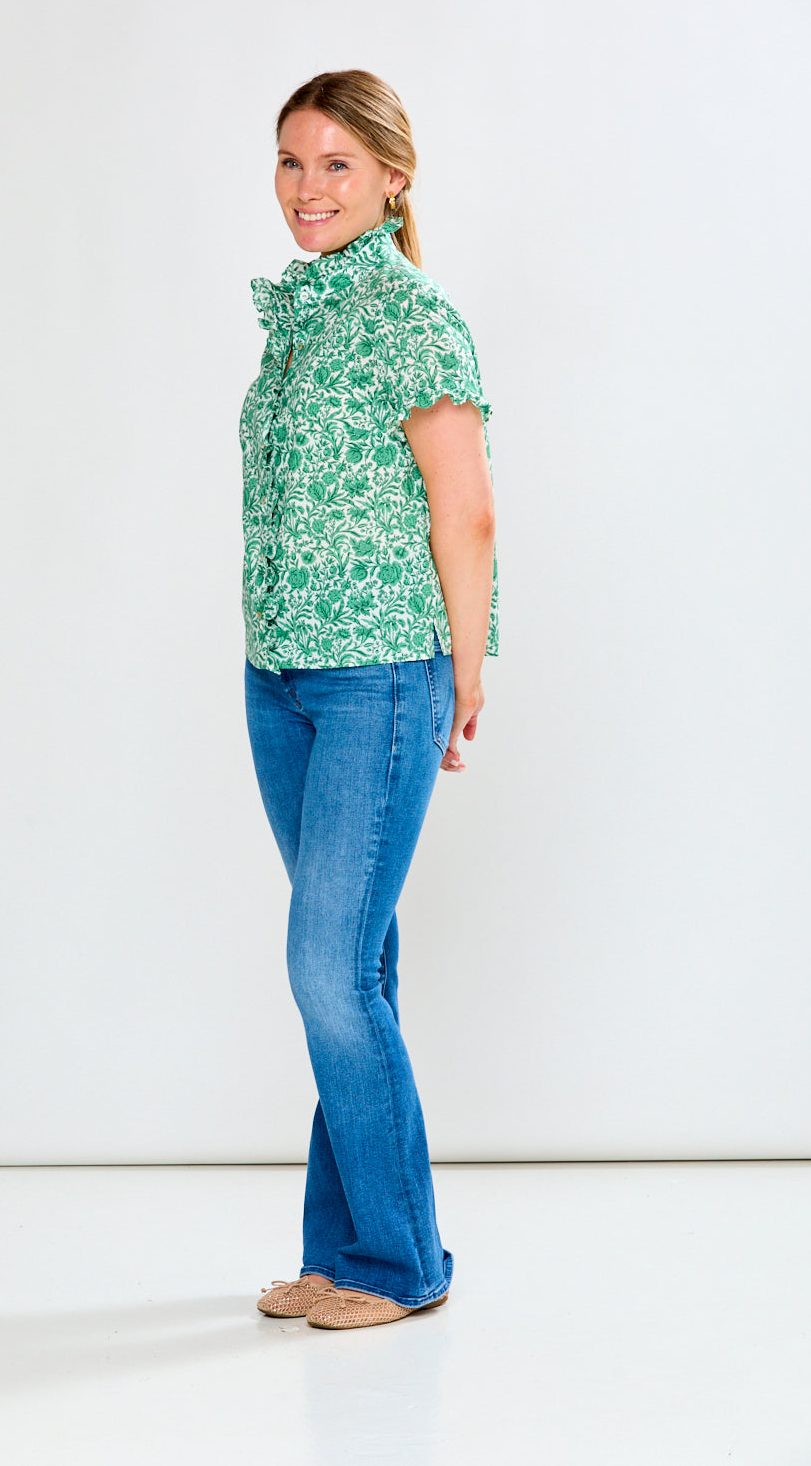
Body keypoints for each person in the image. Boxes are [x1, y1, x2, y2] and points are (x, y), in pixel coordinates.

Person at [242, 69, 498, 1331]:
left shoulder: (413, 317)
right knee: (355, 965)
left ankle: (404, 1265)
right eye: (291, 163)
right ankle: (341, 1253)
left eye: (336, 164)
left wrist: (466, 667)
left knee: (325, 968)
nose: (308, 189)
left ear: (394, 177)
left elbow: (466, 509)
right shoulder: (297, 315)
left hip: (379, 676)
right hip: (279, 677)